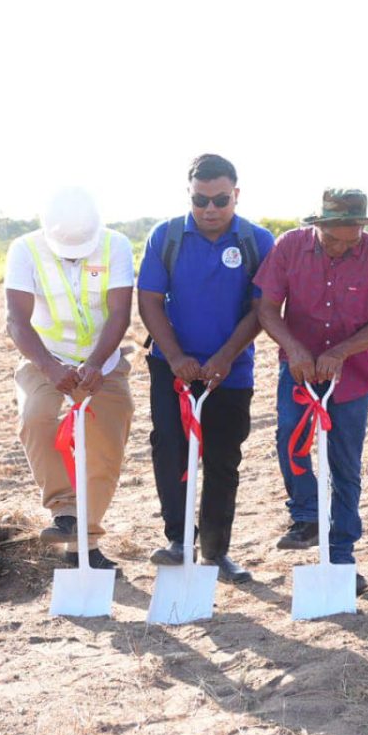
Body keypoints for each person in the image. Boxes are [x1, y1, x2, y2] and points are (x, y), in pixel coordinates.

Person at [255, 189, 368, 595]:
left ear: (362, 227)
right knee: (290, 438)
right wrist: (293, 349)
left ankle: (341, 555)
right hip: (299, 368)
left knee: (345, 464)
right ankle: (306, 515)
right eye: (333, 239)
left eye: (351, 239)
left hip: (353, 375)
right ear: (318, 226)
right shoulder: (289, 247)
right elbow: (267, 308)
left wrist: (342, 352)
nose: (342, 248)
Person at [137, 153, 275, 584]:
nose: (210, 209)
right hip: (172, 368)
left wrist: (226, 357)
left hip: (230, 372)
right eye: (200, 200)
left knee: (221, 460)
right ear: (189, 195)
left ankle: (216, 552)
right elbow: (149, 301)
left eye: (220, 200)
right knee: (170, 450)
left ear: (236, 194)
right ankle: (179, 541)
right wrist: (176, 358)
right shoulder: (166, 237)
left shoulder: (257, 241)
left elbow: (263, 309)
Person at [4, 188, 135, 572]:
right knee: (36, 417)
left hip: (103, 361)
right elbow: (16, 320)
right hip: (45, 357)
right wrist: (49, 367)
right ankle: (64, 510)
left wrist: (95, 363)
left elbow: (119, 313)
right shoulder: (25, 249)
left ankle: (86, 542)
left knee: (106, 444)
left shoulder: (116, 246)